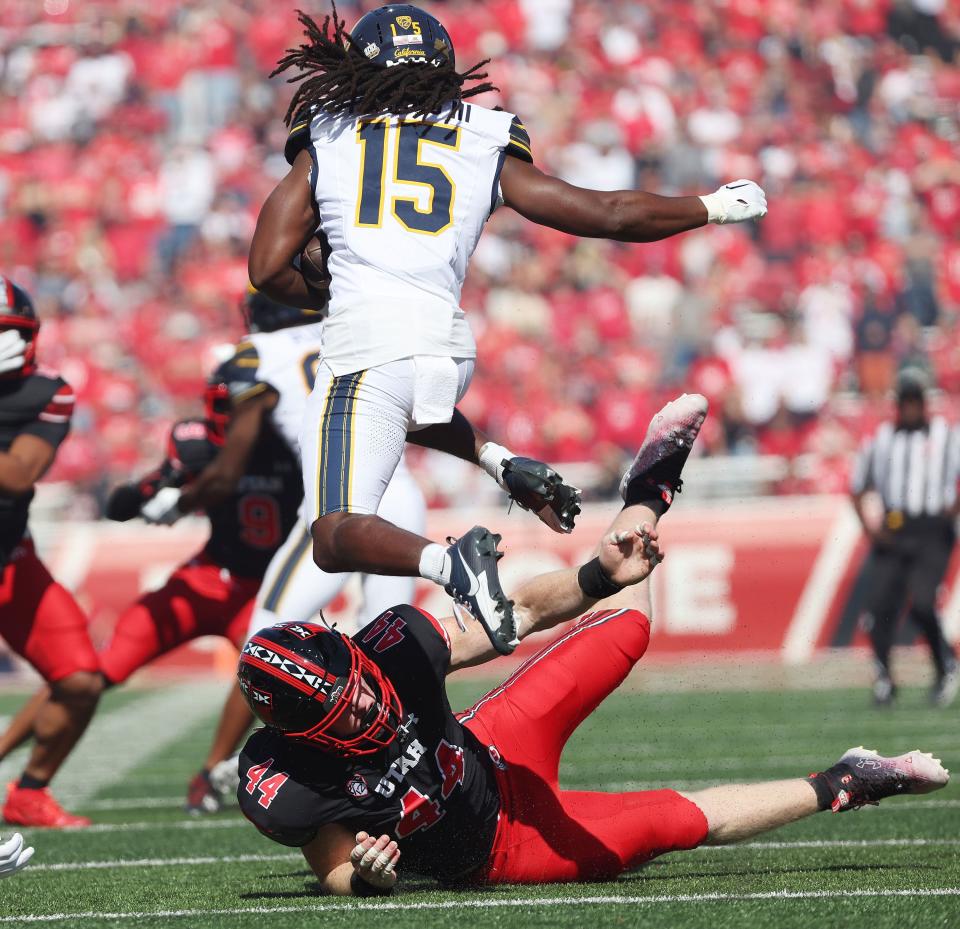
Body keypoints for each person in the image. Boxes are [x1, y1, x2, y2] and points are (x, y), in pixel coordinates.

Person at [235, 395, 947, 896]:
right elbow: (332, 866)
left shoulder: (391, 646)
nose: (368, 701)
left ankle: (647, 491)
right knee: (677, 821)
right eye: (348, 716)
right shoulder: (286, 778)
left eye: (360, 683)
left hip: (494, 745)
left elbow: (513, 608)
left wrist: (597, 573)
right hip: (502, 850)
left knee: (628, 619)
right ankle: (848, 779)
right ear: (304, 736)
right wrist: (366, 875)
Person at [246, 3, 765, 654]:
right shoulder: (482, 132)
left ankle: (449, 565)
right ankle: (497, 466)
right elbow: (606, 212)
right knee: (390, 404)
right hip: (445, 347)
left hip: (368, 342)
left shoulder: (330, 132)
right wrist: (713, 206)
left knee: (333, 534)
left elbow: (265, 268)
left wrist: (329, 284)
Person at [0, 360, 304, 820]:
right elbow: (120, 506)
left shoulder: (294, 444)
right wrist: (155, 487)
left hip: (265, 589)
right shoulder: (197, 444)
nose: (237, 416)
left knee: (265, 668)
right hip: (203, 579)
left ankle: (209, 772)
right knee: (89, 672)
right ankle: (11, 762)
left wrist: (183, 497)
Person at [0, 276, 103, 829]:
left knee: (81, 680)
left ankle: (29, 792)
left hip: (11, 562)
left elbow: (18, 475)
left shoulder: (48, 391)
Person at [850, 369, 960, 708]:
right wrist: (871, 530)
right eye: (906, 402)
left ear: (924, 404)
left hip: (931, 531)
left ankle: (945, 667)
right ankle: (884, 678)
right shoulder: (881, 439)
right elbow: (857, 487)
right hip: (894, 530)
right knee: (877, 607)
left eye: (916, 401)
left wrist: (949, 514)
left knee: (924, 602)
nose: (911, 408)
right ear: (898, 405)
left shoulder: (947, 435)